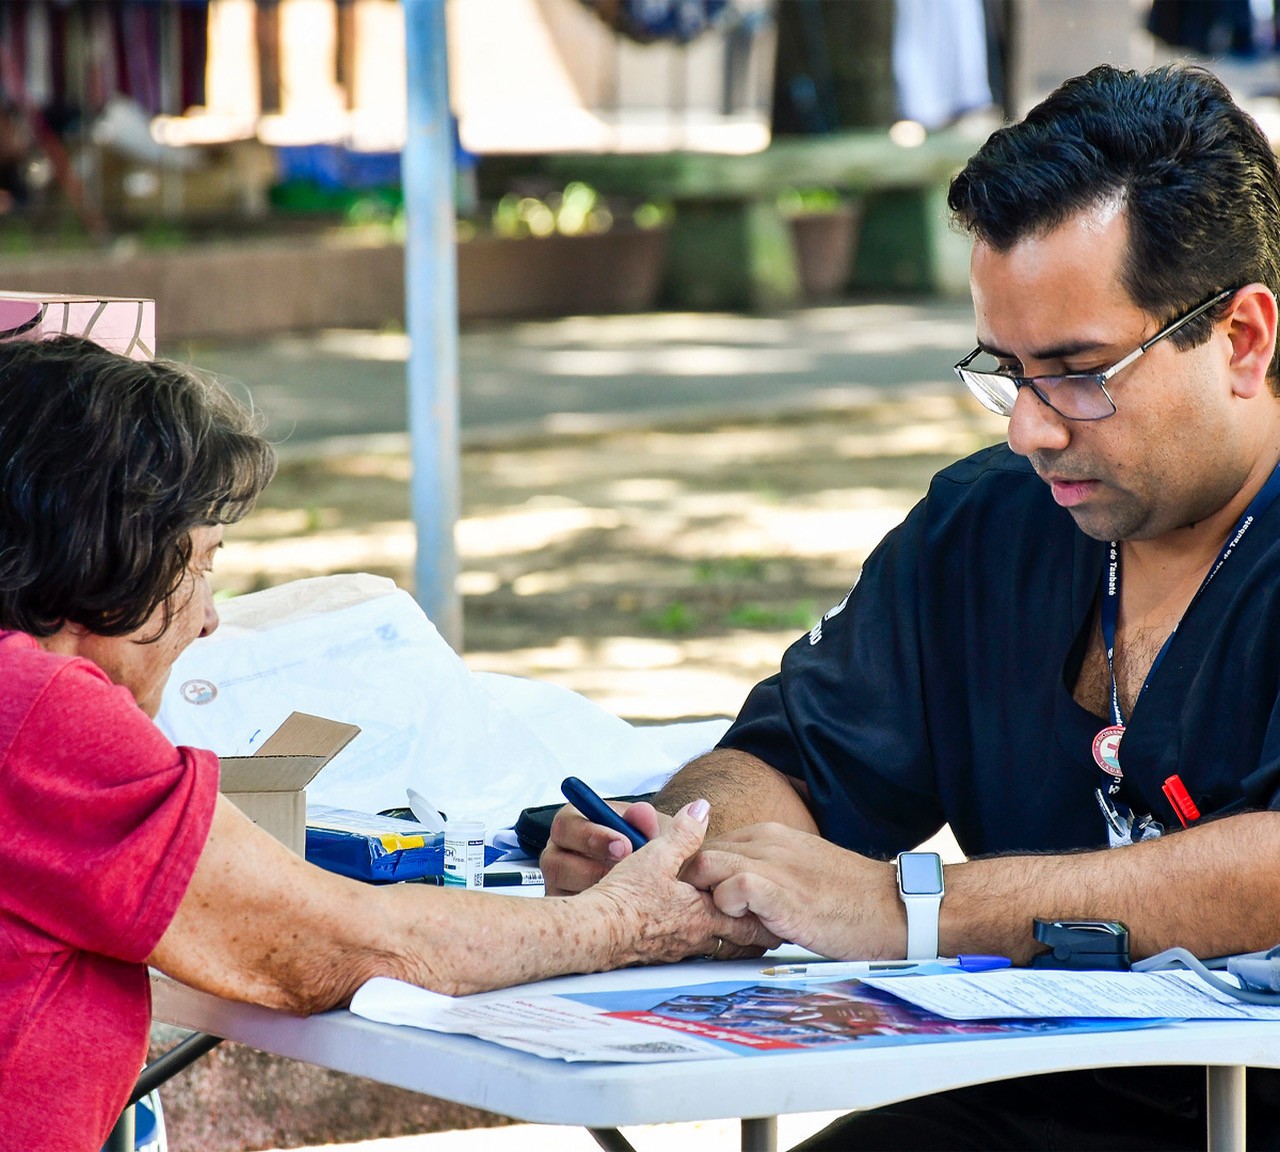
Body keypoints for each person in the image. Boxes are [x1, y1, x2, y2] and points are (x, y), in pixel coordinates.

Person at [543, 62, 1280, 1148]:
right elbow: (783, 758)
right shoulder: (987, 523)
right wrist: (695, 858)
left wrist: (904, 907)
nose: (1030, 429)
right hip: (1043, 1099)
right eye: (1004, 371)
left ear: (1243, 341)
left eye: (1079, 372)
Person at [0, 335, 741, 1152]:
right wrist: (623, 922)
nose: (208, 617)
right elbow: (337, 943)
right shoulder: (39, 712)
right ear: (101, 553)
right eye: (198, 565)